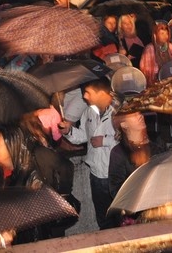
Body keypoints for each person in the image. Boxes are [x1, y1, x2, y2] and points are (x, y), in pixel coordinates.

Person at [59, 78, 119, 230]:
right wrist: (69, 131)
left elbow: (130, 139)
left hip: (116, 174)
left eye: (87, 92)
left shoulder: (121, 111)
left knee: (121, 217)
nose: (84, 96)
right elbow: (83, 137)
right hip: (96, 175)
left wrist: (105, 141)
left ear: (101, 92)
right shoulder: (88, 111)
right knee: (103, 218)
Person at [139, 22, 172, 86]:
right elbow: (146, 71)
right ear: (155, 35)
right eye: (162, 33)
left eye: (166, 34)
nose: (165, 36)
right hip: (155, 83)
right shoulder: (149, 49)